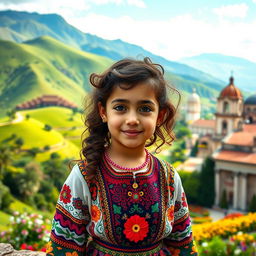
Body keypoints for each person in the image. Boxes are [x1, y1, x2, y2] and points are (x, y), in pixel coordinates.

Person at [46, 57, 198, 256]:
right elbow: (63, 247)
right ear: (104, 112)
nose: (132, 119)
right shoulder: (84, 175)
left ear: (159, 116)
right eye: (120, 108)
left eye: (145, 109)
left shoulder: (168, 177)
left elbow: (183, 244)